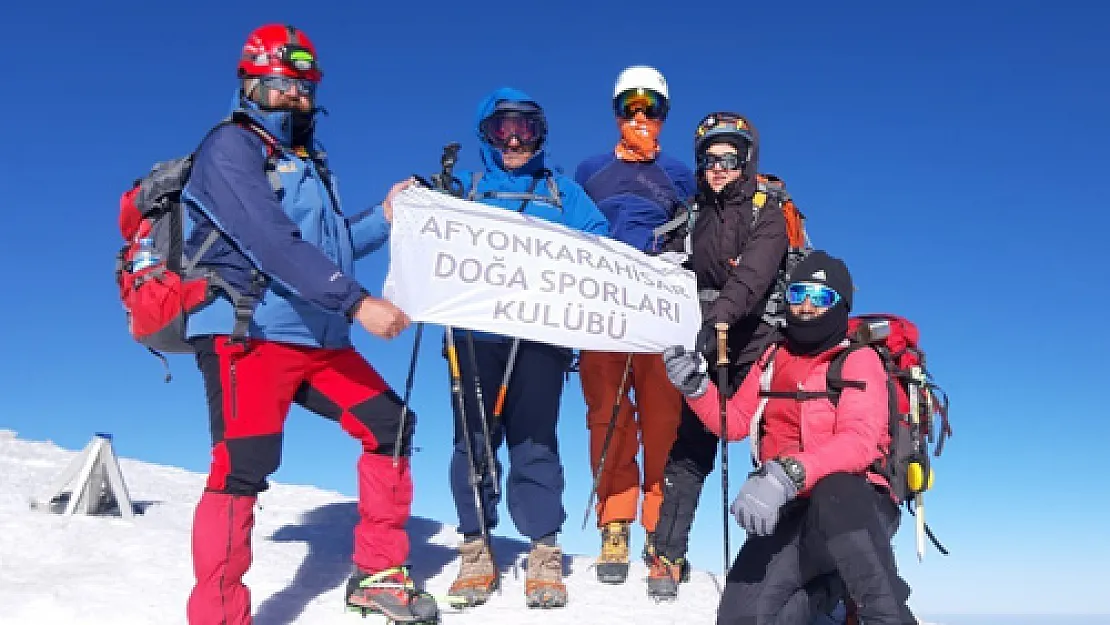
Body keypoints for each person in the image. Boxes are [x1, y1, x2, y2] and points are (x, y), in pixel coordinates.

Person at [180, 24, 435, 625]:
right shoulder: (230, 148)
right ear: (250, 85)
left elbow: (333, 243)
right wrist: (356, 304)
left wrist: (388, 215)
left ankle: (377, 574)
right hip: (251, 334)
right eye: (279, 85)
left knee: (389, 424)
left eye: (303, 86)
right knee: (242, 467)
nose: (294, 97)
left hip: (316, 337)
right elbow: (271, 242)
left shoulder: (305, 160)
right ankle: (219, 615)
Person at [385, 87, 609, 609]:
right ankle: (476, 546)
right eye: (502, 128)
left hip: (541, 341)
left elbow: (598, 245)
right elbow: (427, 222)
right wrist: (419, 195)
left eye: (525, 128)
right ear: (485, 133)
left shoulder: (564, 193)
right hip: (473, 339)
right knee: (474, 441)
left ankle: (544, 551)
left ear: (541, 134)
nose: (513, 139)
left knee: (536, 442)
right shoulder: (468, 187)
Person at [662, 251, 917, 625]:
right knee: (741, 618)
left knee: (837, 489)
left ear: (841, 304)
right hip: (791, 510)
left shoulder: (858, 359)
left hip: (856, 509)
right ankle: (831, 589)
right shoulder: (772, 357)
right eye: (799, 295)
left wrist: (787, 473)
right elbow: (733, 423)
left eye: (821, 297)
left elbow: (860, 441)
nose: (808, 307)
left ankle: (886, 616)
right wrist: (697, 388)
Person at [647, 112, 788, 599]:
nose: (718, 167)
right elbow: (671, 268)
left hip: (759, 345)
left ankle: (777, 566)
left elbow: (754, 276)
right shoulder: (692, 215)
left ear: (746, 159)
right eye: (709, 159)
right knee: (690, 448)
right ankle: (667, 554)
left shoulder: (767, 211)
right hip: (708, 341)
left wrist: (718, 319)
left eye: (729, 158)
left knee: (773, 453)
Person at [572, 65, 696, 584]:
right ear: (616, 110)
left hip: (660, 317)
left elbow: (702, 237)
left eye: (652, 106)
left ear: (665, 114)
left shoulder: (681, 175)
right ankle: (615, 524)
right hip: (603, 316)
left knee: (664, 422)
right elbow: (563, 238)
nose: (641, 115)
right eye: (631, 106)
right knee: (609, 416)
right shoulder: (590, 171)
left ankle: (661, 534)